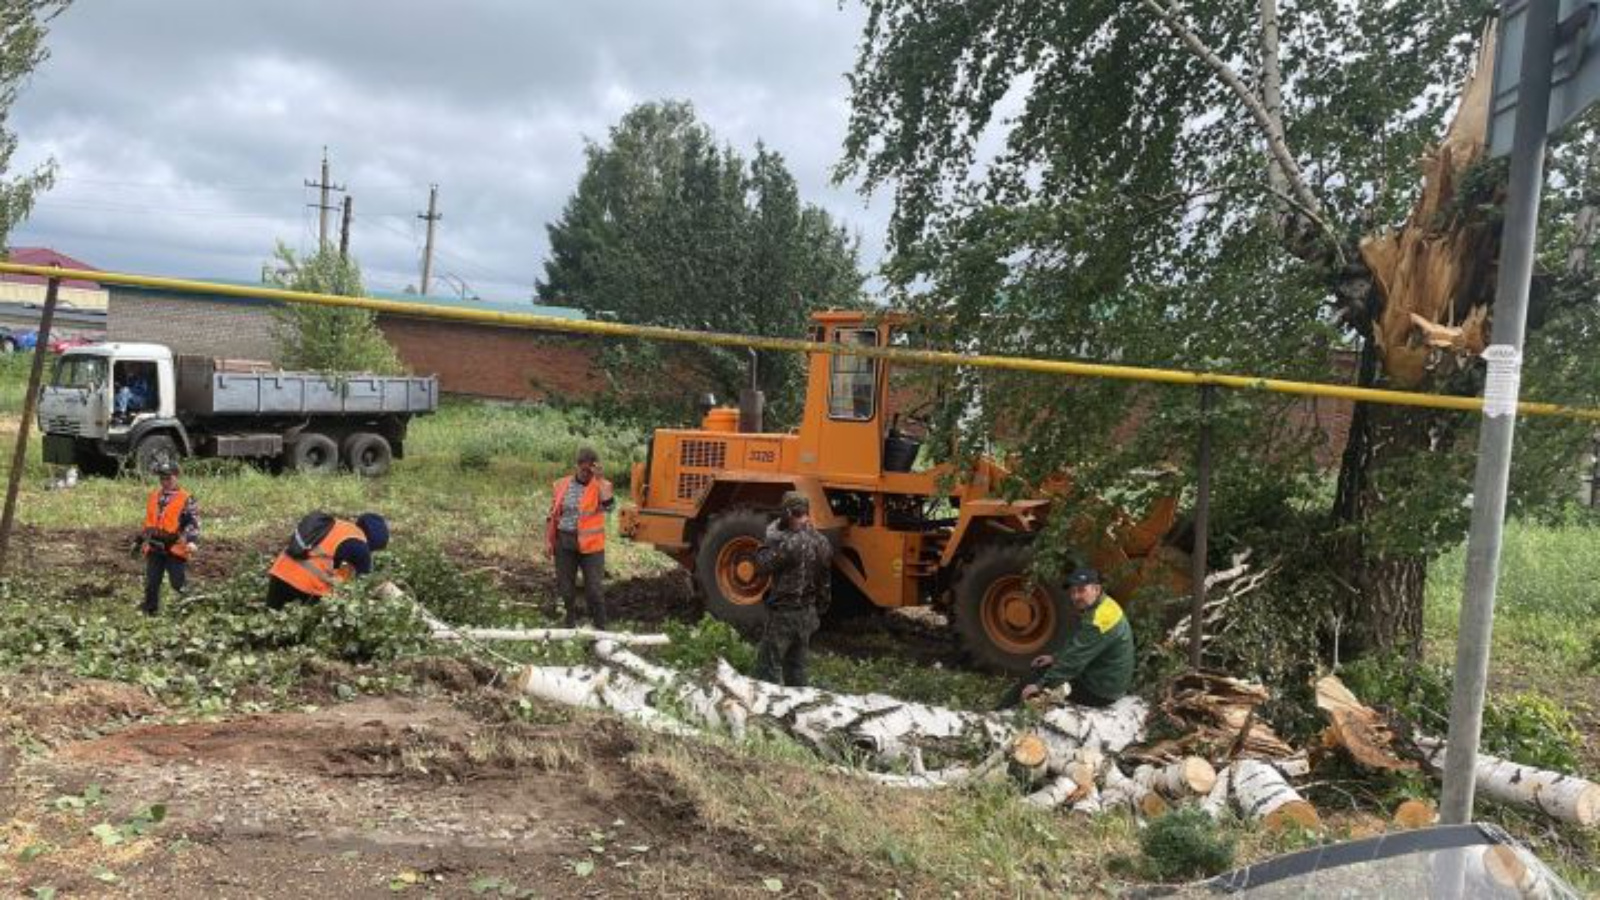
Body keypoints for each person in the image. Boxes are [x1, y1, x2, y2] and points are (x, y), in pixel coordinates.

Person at [998, 567, 1135, 710]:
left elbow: (1074, 661)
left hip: (1100, 691)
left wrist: (1041, 685)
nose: (1076, 596)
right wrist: (1055, 658)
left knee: (1036, 682)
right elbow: (1079, 645)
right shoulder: (1104, 604)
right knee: (1044, 669)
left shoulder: (1099, 621)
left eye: (1082, 590)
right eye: (1073, 591)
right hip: (1103, 678)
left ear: (1096, 589)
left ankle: (1000, 714)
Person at [751, 492, 832, 687]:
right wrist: (818, 609)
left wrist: (768, 541)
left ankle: (765, 713)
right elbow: (825, 582)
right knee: (797, 669)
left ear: (787, 512)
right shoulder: (822, 542)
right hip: (807, 613)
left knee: (766, 669)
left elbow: (762, 566)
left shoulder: (789, 544)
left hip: (784, 615)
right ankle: (798, 709)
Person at [545, 446, 615, 628]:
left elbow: (609, 507)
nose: (586, 474)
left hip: (591, 547)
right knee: (566, 590)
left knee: (594, 591)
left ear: (595, 468)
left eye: (590, 470)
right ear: (577, 466)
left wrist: (599, 480)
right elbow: (553, 514)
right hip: (565, 543)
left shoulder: (601, 485)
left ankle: (601, 630)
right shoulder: (562, 484)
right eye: (583, 469)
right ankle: (568, 628)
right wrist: (548, 541)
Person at [265, 512, 390, 609]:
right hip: (304, 587)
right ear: (375, 543)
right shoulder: (361, 547)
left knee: (272, 621)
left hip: (280, 573)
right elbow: (363, 585)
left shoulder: (338, 525)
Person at [139, 462, 198, 616]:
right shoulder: (154, 496)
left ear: (176, 477)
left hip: (174, 546)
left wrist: (192, 541)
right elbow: (149, 522)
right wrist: (140, 540)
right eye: (162, 478)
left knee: (178, 583)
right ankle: (149, 610)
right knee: (152, 581)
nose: (165, 482)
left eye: (168, 478)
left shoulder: (186, 498)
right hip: (154, 546)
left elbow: (192, 521)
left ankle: (190, 606)